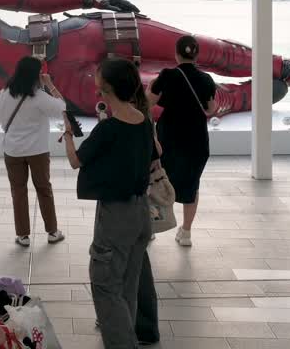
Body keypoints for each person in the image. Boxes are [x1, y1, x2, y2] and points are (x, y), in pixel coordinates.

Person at [61, 58, 159, 349]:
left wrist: (67, 133)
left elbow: (75, 160)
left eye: (100, 88)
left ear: (109, 90)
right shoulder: (143, 121)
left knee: (105, 286)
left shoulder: (109, 129)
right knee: (127, 285)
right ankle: (129, 335)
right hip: (141, 213)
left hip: (116, 217)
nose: (97, 93)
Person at [147, 35, 216, 247]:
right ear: (196, 55)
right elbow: (211, 109)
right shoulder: (206, 79)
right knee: (191, 186)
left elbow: (148, 103)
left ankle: (152, 228)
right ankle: (186, 233)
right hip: (196, 139)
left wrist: (151, 86)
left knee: (157, 180)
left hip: (169, 137)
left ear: (176, 54)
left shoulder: (167, 75)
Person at [0, 56, 66, 247]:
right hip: (38, 151)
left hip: (12, 150)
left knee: (18, 191)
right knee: (44, 189)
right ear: (36, 75)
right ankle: (52, 232)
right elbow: (62, 109)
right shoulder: (39, 97)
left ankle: (23, 235)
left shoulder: (6, 93)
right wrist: (50, 85)